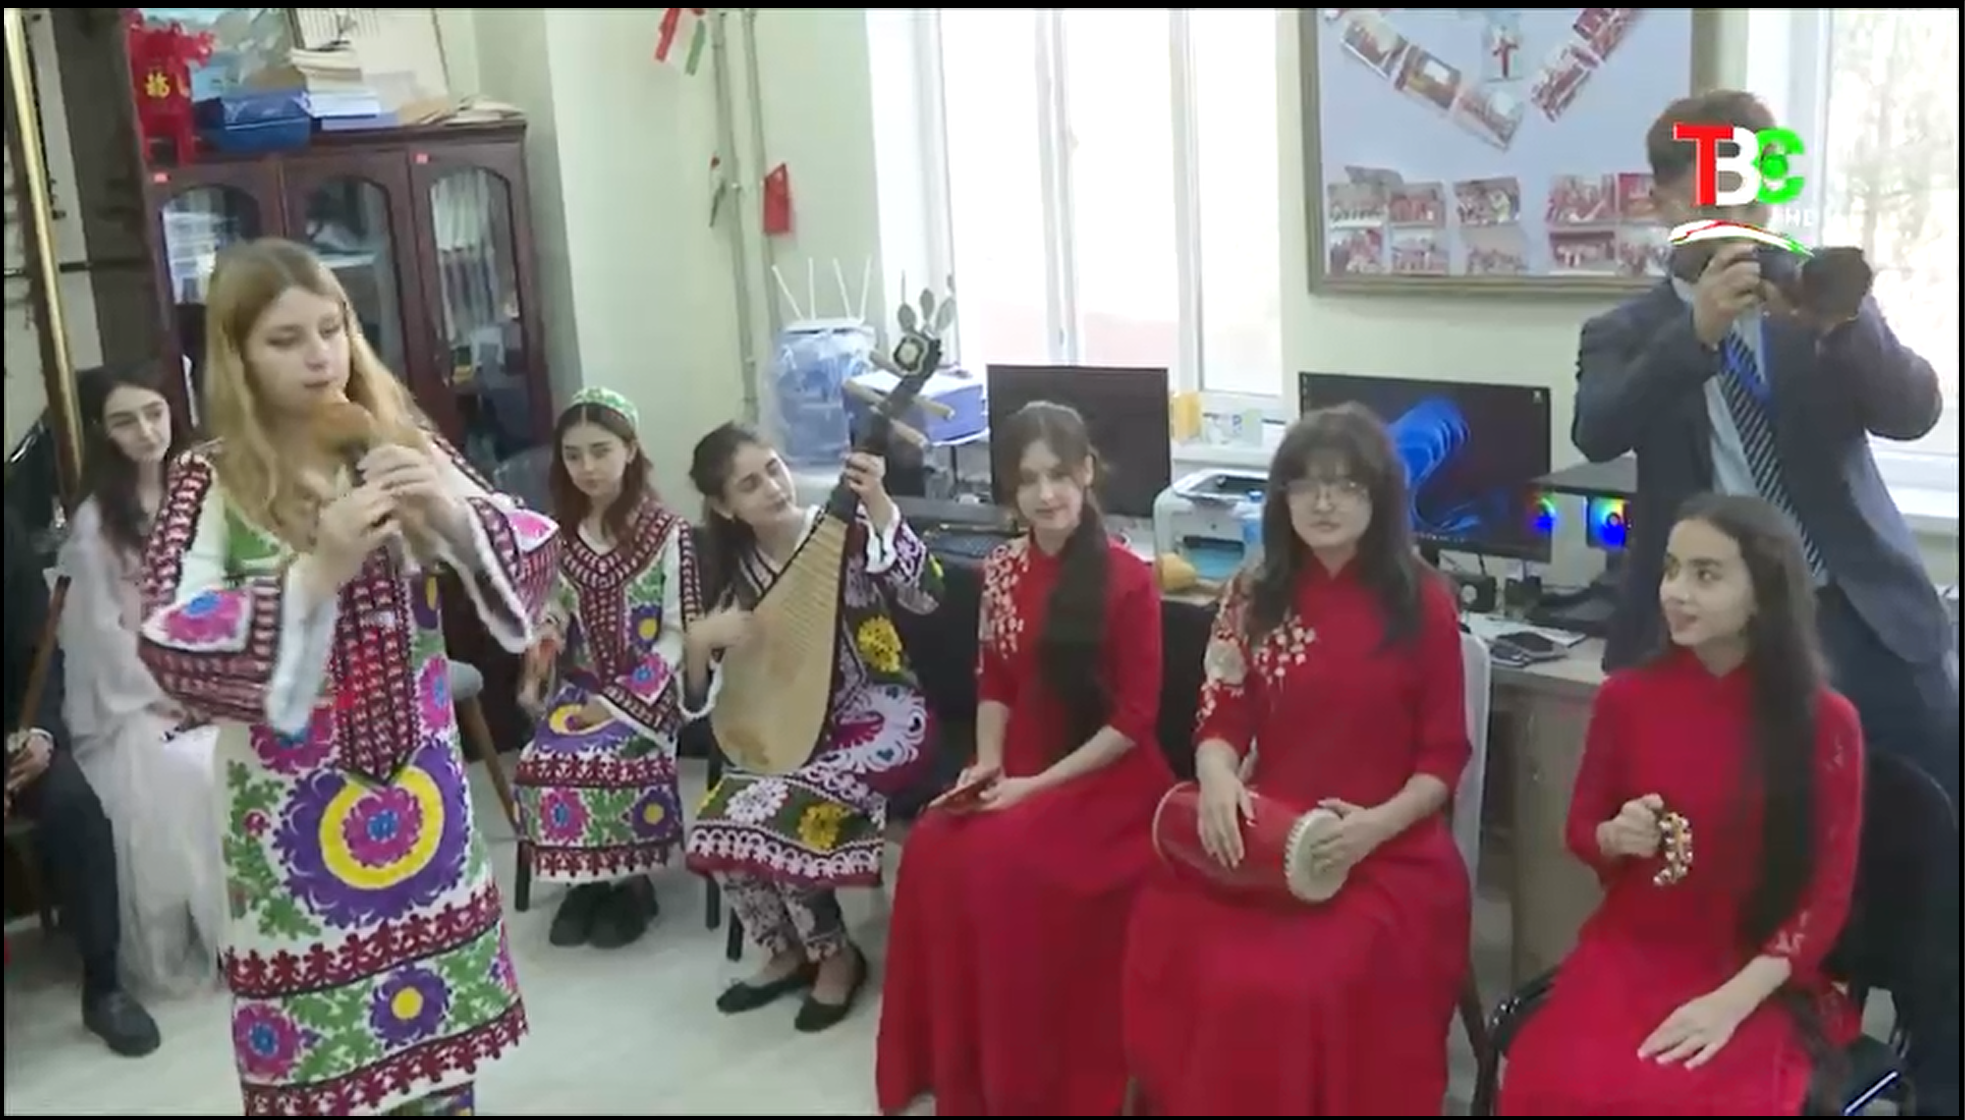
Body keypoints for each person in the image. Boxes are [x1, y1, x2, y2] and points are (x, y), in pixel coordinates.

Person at [1575, 90, 1957, 1111]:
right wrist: (1695, 333)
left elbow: (1915, 409)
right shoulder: (1624, 328)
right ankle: (1775, 1040)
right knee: (1745, 862)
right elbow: (1596, 429)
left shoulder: (1815, 297)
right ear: (1663, 200)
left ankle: (1940, 1073)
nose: (1736, 212)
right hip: (1717, 646)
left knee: (1941, 860)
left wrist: (1841, 325)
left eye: (1749, 189)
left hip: (1870, 624)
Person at [135, 238, 561, 1117]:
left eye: (331, 329)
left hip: (425, 795)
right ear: (238, 356)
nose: (319, 355)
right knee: (320, 1069)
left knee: (439, 1064)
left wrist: (449, 513)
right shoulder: (208, 478)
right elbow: (168, 635)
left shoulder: (402, 440)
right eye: (285, 339)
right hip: (289, 818)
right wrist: (314, 574)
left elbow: (526, 544)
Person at [1120, 404, 1472, 1115]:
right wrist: (1216, 776)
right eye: (1306, 485)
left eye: (1345, 485)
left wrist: (1372, 827)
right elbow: (1220, 716)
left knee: (1297, 980)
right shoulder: (1253, 592)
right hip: (1269, 830)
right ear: (1282, 497)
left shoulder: (1424, 602)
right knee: (1169, 928)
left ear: (1378, 495)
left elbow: (1443, 759)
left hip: (1387, 845)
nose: (1324, 502)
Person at [1498, 494, 1867, 1114]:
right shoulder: (1626, 699)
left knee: (1688, 1098)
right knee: (1559, 1088)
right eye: (1671, 569)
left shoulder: (1825, 723)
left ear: (1762, 594)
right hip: (1633, 949)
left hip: (1759, 970)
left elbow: (1825, 900)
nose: (1676, 592)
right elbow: (1582, 830)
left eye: (1706, 575)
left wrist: (1731, 1002)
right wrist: (1616, 836)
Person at [876, 402, 1171, 1115]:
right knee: (933, 846)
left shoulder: (1129, 578)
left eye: (1059, 475)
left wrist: (1033, 787)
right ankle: (959, 1057)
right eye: (1028, 479)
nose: (1046, 494)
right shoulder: (1003, 567)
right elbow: (995, 682)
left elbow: (1133, 721)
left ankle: (1026, 1074)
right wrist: (987, 763)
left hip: (1107, 779)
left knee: (1003, 865)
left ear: (1087, 473)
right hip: (1019, 764)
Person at [683, 422, 941, 1033]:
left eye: (774, 468)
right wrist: (698, 645)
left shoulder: (842, 531)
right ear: (725, 506)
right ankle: (785, 951)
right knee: (719, 814)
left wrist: (880, 504)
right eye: (750, 484)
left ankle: (836, 958)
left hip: (883, 718)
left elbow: (926, 595)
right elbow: (700, 702)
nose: (774, 487)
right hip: (788, 725)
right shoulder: (731, 571)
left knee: (778, 806)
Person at [57, 362, 226, 996]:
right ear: (104, 432)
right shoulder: (95, 522)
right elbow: (100, 635)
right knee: (190, 773)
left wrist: (218, 681)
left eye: (154, 413)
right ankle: (219, 938)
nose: (147, 431)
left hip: (218, 674)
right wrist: (169, 693)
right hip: (139, 698)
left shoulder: (206, 491)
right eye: (125, 421)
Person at [514, 387, 700, 949]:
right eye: (573, 455)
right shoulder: (559, 533)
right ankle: (587, 882)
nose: (588, 467)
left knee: (610, 754)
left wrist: (621, 702)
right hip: (580, 686)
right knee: (544, 757)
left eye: (601, 451)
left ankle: (634, 885)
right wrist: (538, 662)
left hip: (649, 690)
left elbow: (680, 633)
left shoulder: (667, 532)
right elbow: (552, 611)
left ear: (630, 449)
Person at [5, 500, 162, 1057]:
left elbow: (38, 651)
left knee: (77, 809)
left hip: (14, 733)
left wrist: (41, 734)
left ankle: (104, 988)